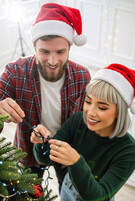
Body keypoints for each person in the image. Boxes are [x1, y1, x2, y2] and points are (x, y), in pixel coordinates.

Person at [30, 63, 135, 201]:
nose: (90, 112)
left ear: (120, 112)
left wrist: (76, 162)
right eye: (88, 101)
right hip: (68, 189)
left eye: (102, 107)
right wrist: (41, 144)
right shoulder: (78, 120)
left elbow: (98, 200)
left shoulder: (128, 150)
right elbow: (45, 159)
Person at [0, 3, 91, 188]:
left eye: (60, 52)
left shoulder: (82, 76)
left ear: (70, 48)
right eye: (44, 51)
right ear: (34, 46)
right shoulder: (15, 71)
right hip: (28, 151)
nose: (52, 61)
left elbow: (86, 123)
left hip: (66, 150)